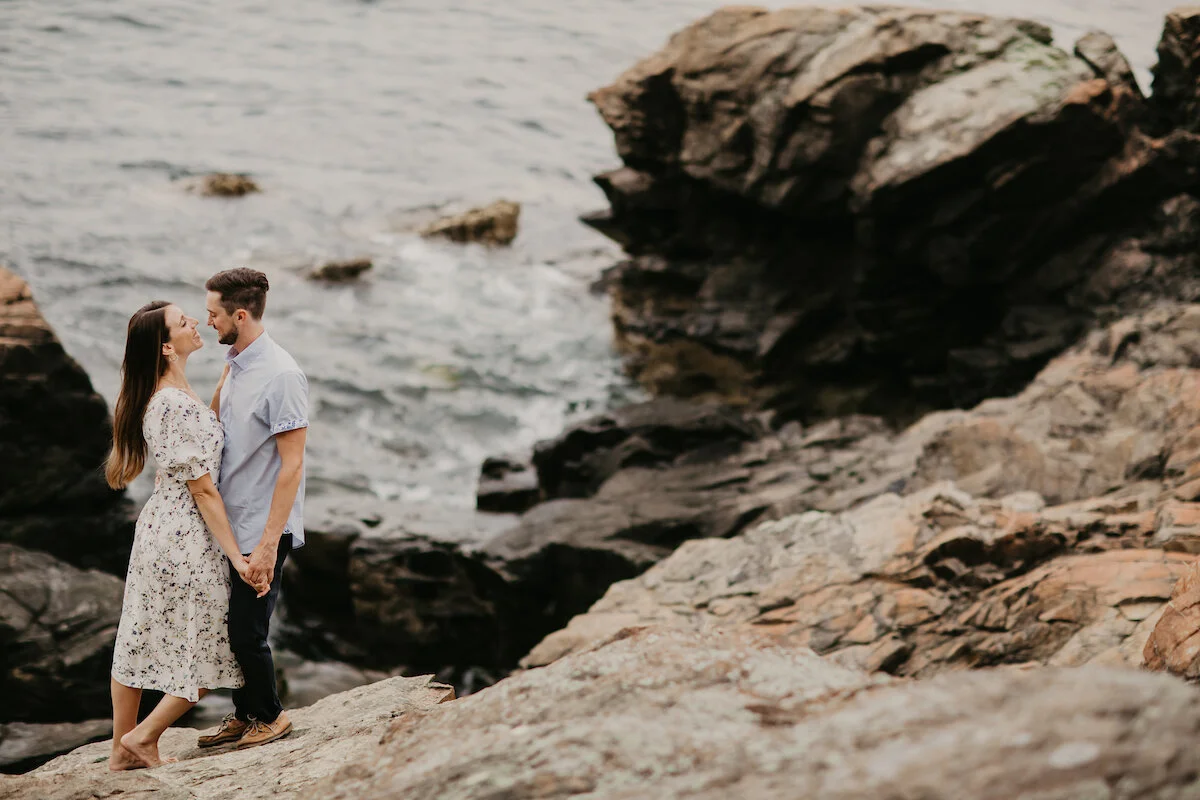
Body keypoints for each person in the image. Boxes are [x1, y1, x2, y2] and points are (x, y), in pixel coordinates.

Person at [105, 301, 267, 770]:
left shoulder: (170, 395)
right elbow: (203, 489)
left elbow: (200, 441)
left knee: (138, 635)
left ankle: (121, 750)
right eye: (183, 322)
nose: (195, 321)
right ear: (165, 347)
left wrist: (221, 387)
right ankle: (144, 737)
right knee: (210, 639)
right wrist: (238, 557)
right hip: (186, 537)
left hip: (163, 530)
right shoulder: (171, 403)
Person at [196, 268, 308, 750]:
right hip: (231, 519)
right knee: (230, 626)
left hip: (262, 526)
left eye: (213, 314)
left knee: (248, 630)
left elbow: (292, 466)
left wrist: (267, 545)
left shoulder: (282, 375)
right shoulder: (237, 363)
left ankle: (270, 715)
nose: (207, 323)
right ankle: (244, 713)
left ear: (239, 315)